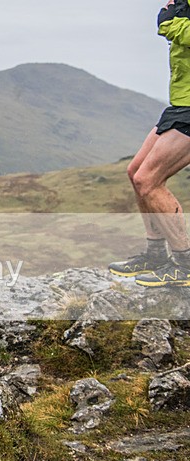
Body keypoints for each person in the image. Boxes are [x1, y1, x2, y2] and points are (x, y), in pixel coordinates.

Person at [108, 0, 190, 287]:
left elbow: (181, 32)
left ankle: (185, 264)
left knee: (149, 180)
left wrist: (171, 23)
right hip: (181, 104)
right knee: (136, 172)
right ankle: (156, 255)